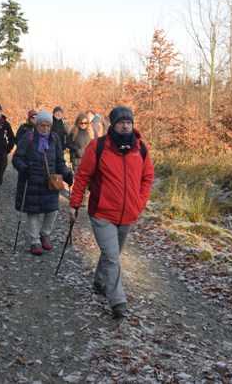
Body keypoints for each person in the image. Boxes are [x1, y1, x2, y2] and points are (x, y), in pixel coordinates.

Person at [69, 106, 154, 319]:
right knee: (113, 257)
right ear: (113, 124)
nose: (125, 125)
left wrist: (139, 202)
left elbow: (147, 177)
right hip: (102, 212)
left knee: (111, 254)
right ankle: (118, 300)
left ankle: (99, 281)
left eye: (129, 122)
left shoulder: (140, 148)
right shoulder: (98, 147)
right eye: (121, 121)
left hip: (128, 214)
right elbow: (82, 176)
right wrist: (75, 203)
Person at [13, 110, 74, 255]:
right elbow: (16, 158)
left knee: (52, 210)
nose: (45, 128)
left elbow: (59, 160)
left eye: (48, 125)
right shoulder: (28, 138)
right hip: (31, 180)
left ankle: (45, 234)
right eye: (42, 125)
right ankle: (35, 241)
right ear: (37, 125)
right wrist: (24, 168)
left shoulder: (55, 139)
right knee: (33, 212)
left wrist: (66, 174)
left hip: (51, 181)